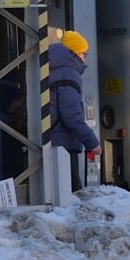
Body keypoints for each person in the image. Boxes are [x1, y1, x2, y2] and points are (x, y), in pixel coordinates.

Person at [49, 30, 99, 192]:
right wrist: (92, 143)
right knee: (71, 196)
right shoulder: (69, 74)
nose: (85, 59)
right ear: (75, 54)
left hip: (51, 143)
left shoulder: (52, 69)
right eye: (84, 54)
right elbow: (72, 117)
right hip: (63, 146)